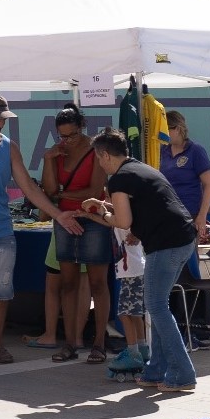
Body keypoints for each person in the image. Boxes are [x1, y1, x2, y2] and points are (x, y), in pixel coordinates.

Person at [0, 94, 84, 366]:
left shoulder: (8, 147)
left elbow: (28, 187)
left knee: (1, 291)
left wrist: (58, 215)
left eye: (3, 120)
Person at [83, 128, 198, 393]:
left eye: (98, 158)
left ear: (105, 155)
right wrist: (104, 206)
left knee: (156, 306)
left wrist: (100, 215)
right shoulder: (140, 169)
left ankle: (182, 374)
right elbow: (138, 209)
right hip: (183, 239)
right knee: (158, 306)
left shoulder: (119, 180)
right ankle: (155, 369)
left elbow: (123, 222)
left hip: (166, 244)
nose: (99, 164)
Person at [40, 104, 110, 364]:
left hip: (92, 219)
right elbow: (49, 190)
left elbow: (94, 191)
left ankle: (99, 344)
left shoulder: (96, 149)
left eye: (72, 135)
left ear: (82, 127)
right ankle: (70, 343)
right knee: (68, 284)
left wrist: (62, 194)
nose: (67, 140)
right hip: (65, 220)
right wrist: (48, 159)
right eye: (62, 136)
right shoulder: (57, 152)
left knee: (97, 283)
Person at [159, 110, 210, 348]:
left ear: (179, 128)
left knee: (189, 270)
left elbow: (208, 185)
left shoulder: (195, 151)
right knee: (170, 272)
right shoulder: (162, 152)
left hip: (189, 217)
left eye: (168, 130)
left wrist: (201, 216)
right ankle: (176, 326)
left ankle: (197, 327)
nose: (165, 135)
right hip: (166, 218)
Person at [105, 226, 149, 381]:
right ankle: (142, 349)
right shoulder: (124, 218)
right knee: (136, 314)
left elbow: (107, 218)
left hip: (132, 271)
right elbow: (106, 218)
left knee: (125, 314)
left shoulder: (123, 219)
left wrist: (97, 212)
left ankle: (133, 353)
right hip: (135, 270)